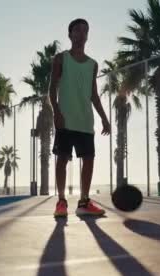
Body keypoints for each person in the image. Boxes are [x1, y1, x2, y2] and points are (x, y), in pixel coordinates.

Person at [49, 18, 111, 218]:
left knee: (89, 160)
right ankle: (61, 201)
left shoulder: (93, 64)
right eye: (77, 30)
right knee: (62, 159)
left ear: (87, 35)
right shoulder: (60, 58)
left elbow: (93, 94)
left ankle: (84, 202)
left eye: (85, 30)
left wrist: (103, 117)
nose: (81, 34)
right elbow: (52, 89)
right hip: (65, 119)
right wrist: (56, 112)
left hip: (85, 120)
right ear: (70, 34)